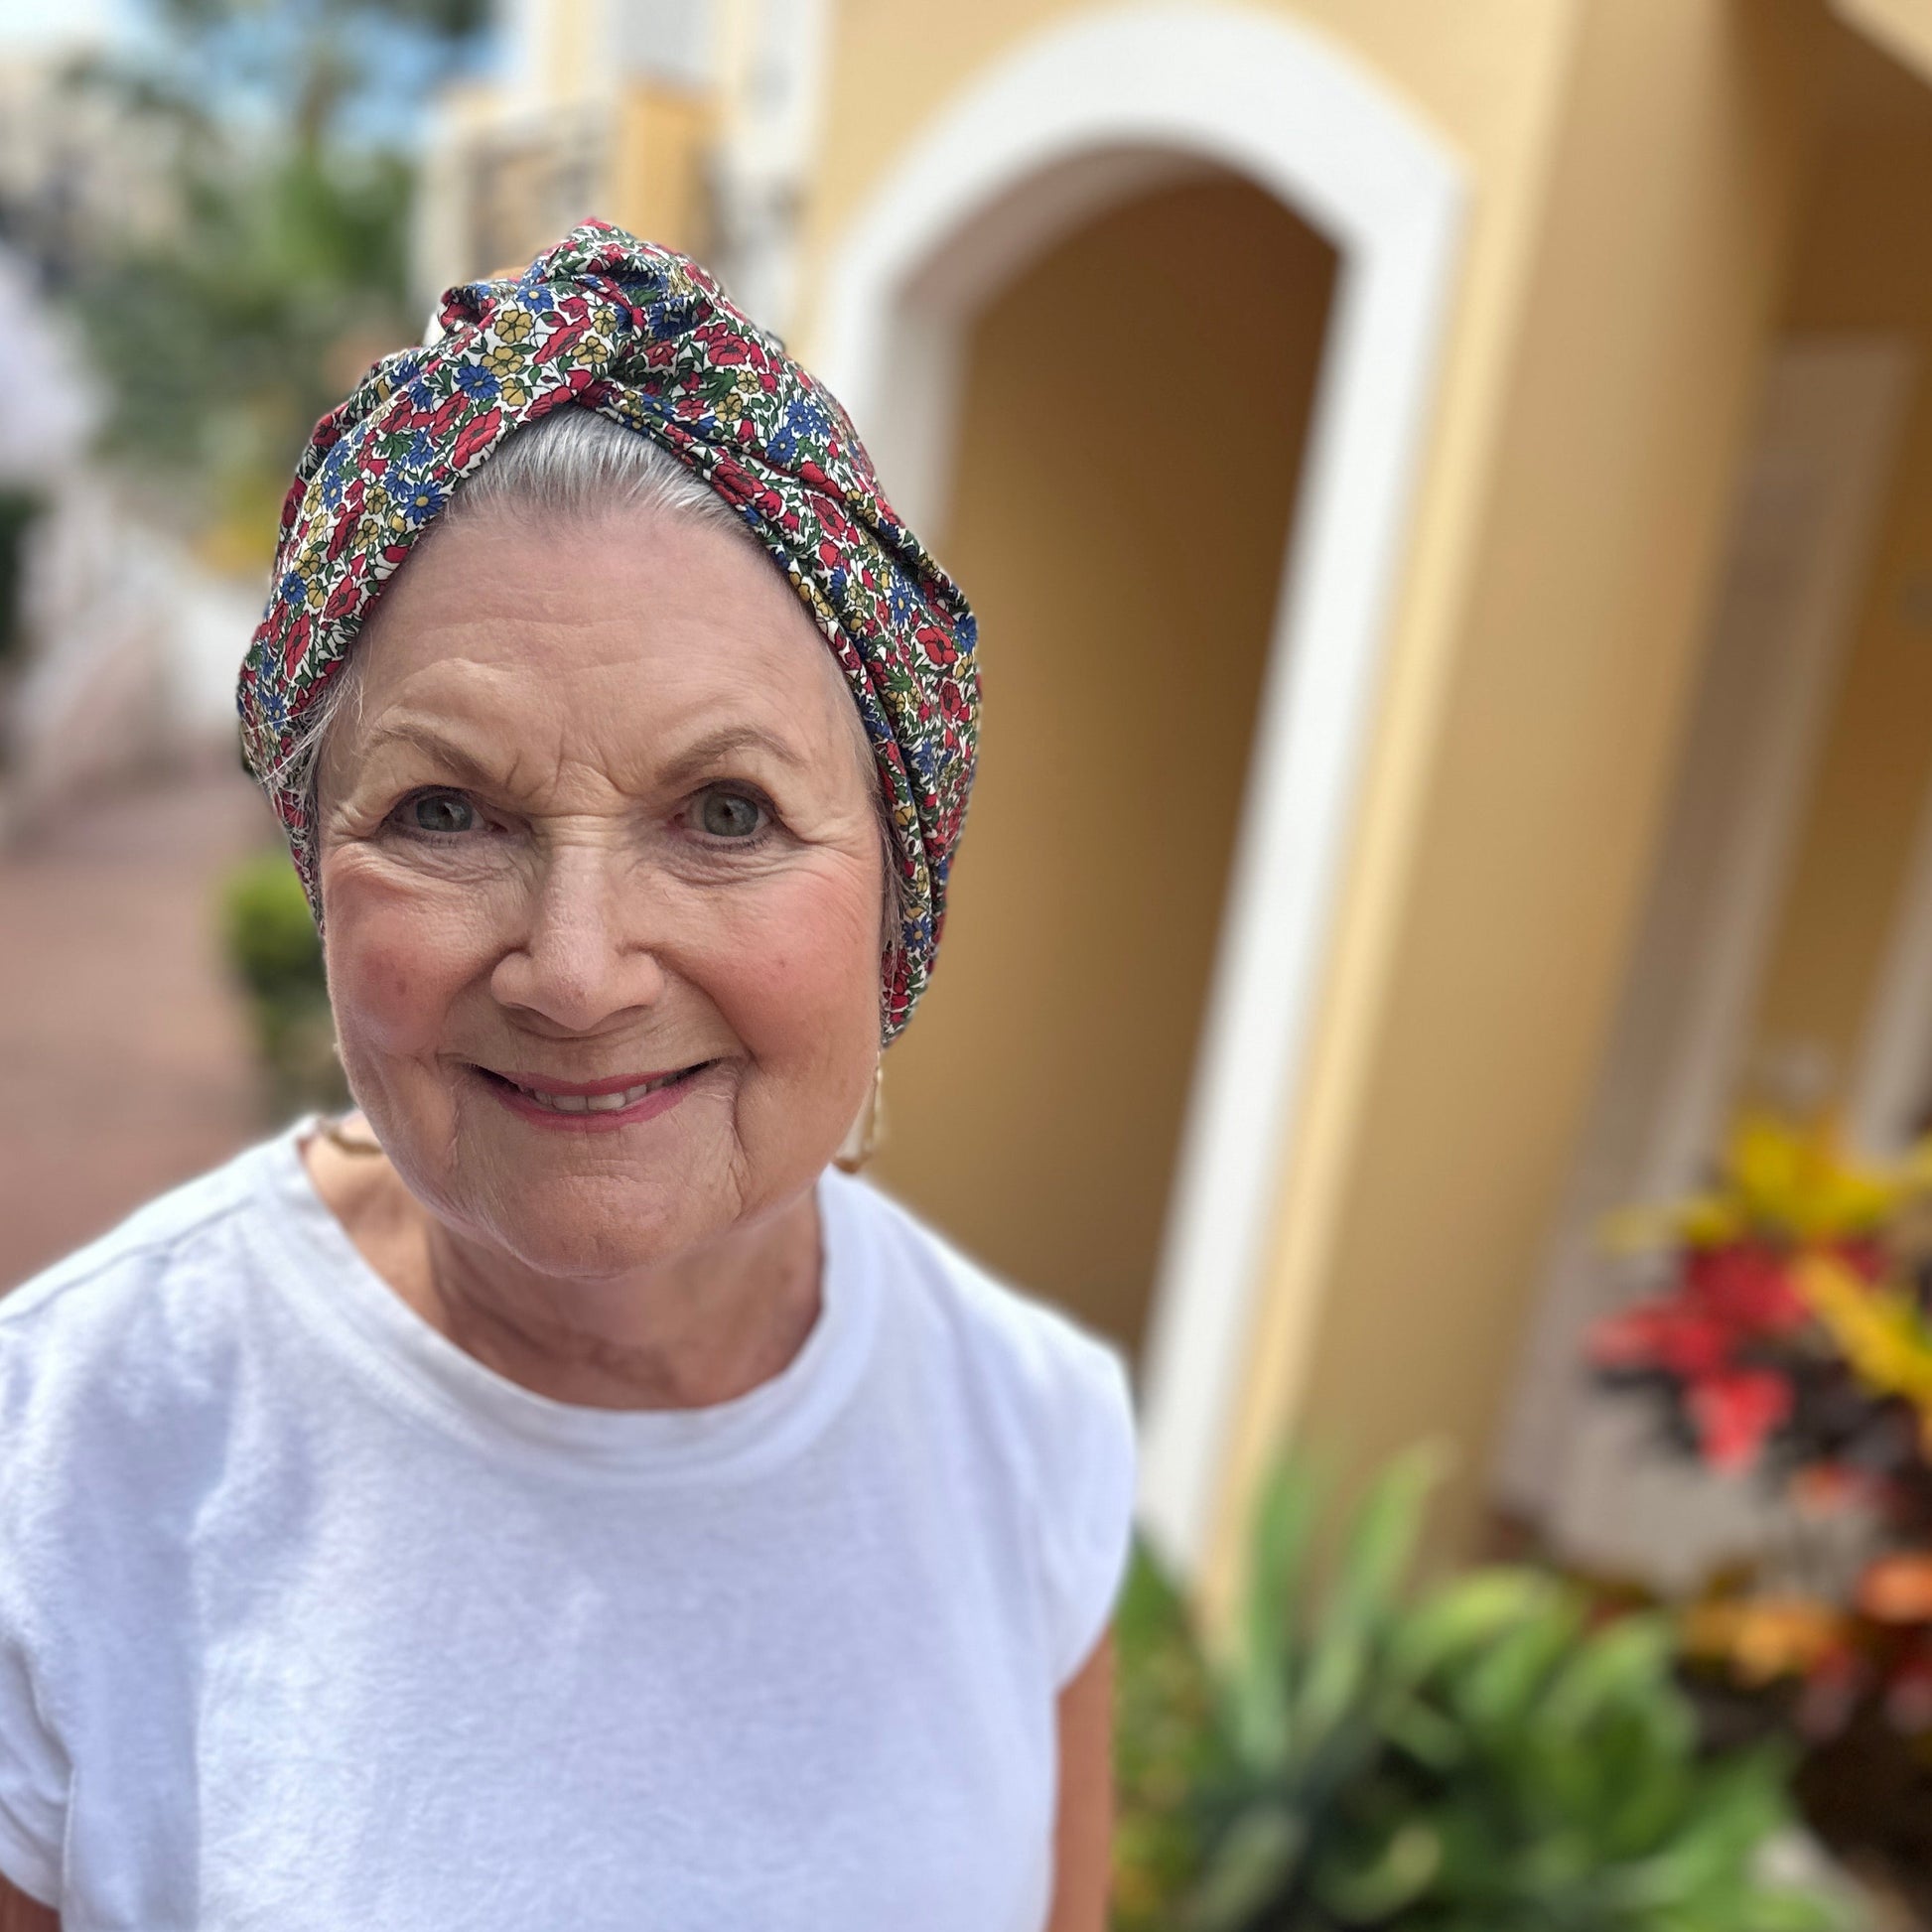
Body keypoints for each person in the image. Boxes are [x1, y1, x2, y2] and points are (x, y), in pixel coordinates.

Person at [0, 223, 1137, 1932]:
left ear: (899, 885)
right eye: (446, 811)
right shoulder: (62, 1457)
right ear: (318, 869)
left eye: (726, 811)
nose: (580, 969)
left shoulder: (1025, 1432)